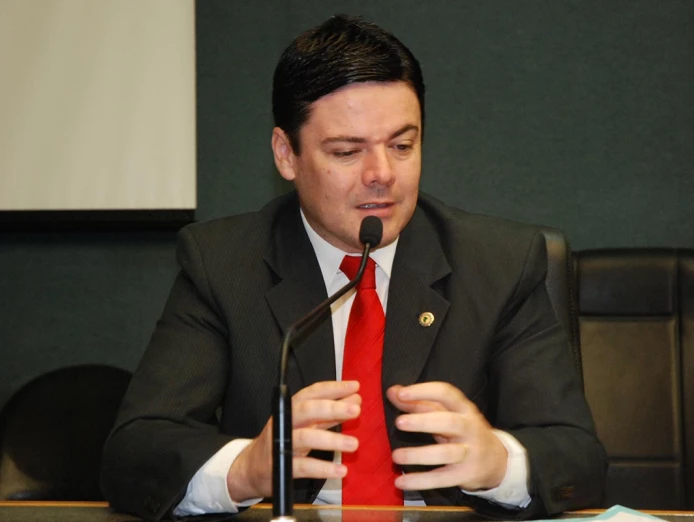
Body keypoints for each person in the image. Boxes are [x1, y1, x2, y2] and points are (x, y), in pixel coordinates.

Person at [101, 14, 606, 520]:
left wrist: (500, 464)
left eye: (402, 145)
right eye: (347, 151)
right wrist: (245, 470)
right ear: (286, 154)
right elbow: (135, 452)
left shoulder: (498, 262)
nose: (382, 175)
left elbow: (578, 459)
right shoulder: (224, 263)